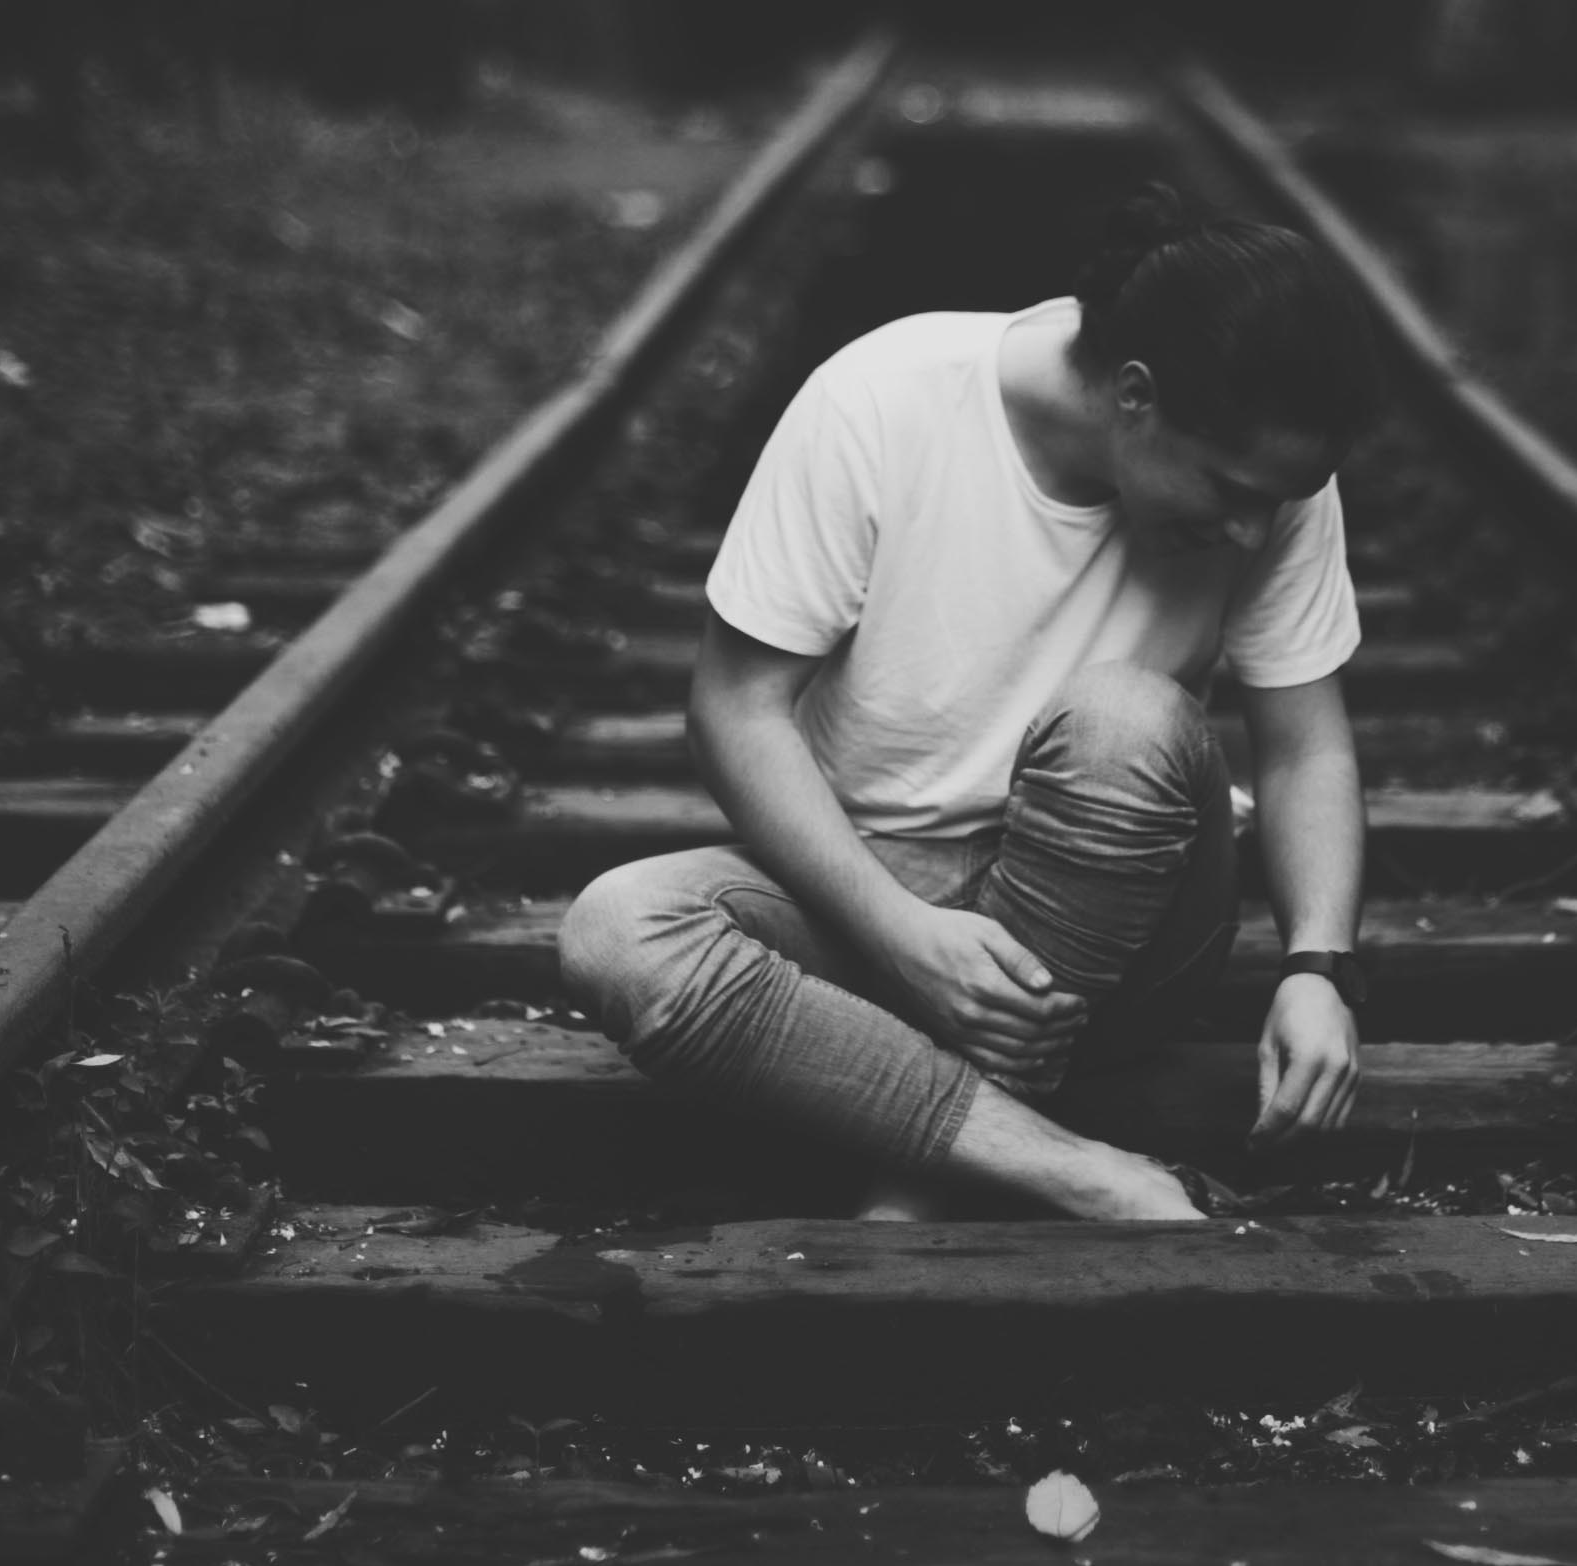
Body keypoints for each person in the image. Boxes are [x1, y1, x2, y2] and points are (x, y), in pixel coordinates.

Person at [558, 183, 1380, 1222]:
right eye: (1231, 494)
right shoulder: (881, 399)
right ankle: (1052, 1163)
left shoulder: (1271, 467)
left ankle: (914, 1174)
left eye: (1278, 504)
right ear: (1135, 395)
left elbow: (1306, 747)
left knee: (1124, 718)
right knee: (616, 929)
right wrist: (899, 932)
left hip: (1122, 946)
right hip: (876, 913)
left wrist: (1320, 970)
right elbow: (735, 709)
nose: (1256, 533)